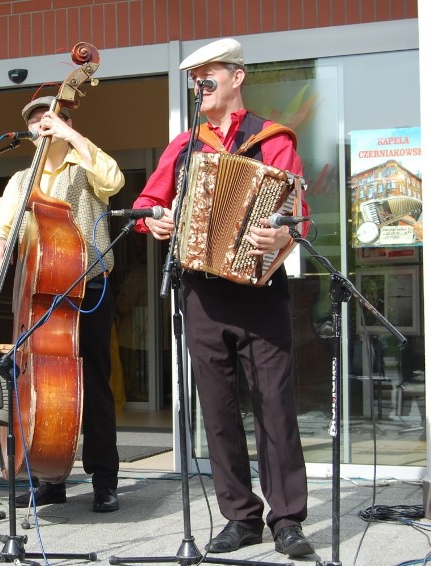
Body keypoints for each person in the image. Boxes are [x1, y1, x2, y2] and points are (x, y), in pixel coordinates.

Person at [132, 38, 314, 556]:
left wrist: (280, 235)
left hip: (260, 291)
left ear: (237, 77)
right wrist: (158, 220)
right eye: (194, 79)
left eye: (208, 75)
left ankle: (287, 520)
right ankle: (240, 516)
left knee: (274, 406)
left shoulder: (274, 140)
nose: (200, 85)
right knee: (216, 409)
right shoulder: (185, 145)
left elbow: (299, 214)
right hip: (202, 295)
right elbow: (147, 202)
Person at [0, 95, 124, 513]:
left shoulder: (86, 166)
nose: (40, 125)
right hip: (39, 295)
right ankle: (49, 474)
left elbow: (113, 181)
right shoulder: (22, 179)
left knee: (94, 386)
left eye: (48, 117)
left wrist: (73, 136)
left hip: (88, 288)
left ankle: (104, 479)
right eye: (34, 121)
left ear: (64, 120)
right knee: (41, 384)